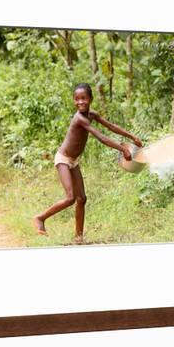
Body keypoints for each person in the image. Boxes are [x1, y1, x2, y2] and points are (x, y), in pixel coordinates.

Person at [32, 83, 143, 244]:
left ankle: (79, 238)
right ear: (73, 101)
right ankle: (40, 218)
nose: (80, 102)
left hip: (74, 161)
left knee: (82, 199)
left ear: (90, 99)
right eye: (77, 99)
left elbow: (111, 127)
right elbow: (101, 137)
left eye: (83, 98)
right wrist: (122, 149)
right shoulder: (79, 119)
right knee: (70, 198)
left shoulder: (91, 114)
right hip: (63, 159)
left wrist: (132, 137)